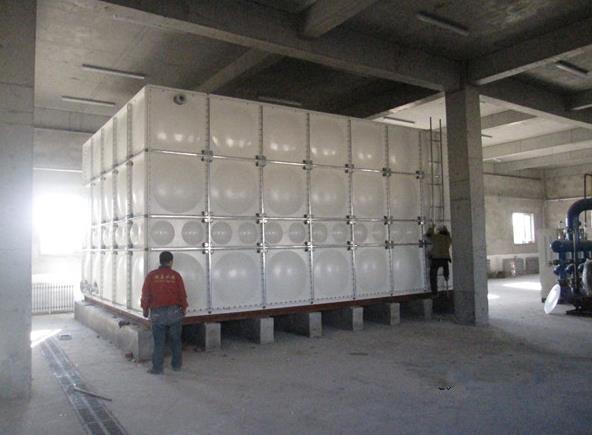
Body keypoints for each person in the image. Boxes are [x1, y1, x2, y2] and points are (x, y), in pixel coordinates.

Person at [141, 251, 188, 374]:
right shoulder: (176, 276)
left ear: (160, 261)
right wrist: (183, 308)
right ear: (171, 262)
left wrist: (145, 309)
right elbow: (182, 294)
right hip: (174, 312)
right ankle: (176, 366)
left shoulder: (151, 276)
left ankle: (157, 368)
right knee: (176, 340)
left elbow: (145, 294)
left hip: (157, 313)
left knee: (159, 342)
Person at [427, 225, 452, 296]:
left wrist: (432, 227)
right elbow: (449, 240)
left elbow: (428, 235)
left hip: (436, 259)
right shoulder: (448, 238)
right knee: (446, 268)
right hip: (445, 259)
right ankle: (446, 276)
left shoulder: (435, 237)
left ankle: (434, 293)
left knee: (433, 276)